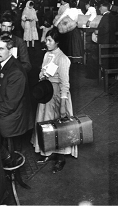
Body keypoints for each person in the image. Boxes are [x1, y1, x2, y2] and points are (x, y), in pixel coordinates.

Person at [31, 28, 78, 173]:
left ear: (57, 42)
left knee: (60, 125)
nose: (47, 42)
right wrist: (42, 74)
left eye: (50, 40)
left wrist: (63, 105)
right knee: (47, 123)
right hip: (47, 93)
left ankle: (60, 157)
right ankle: (49, 152)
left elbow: (65, 84)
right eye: (47, 39)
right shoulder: (47, 54)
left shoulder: (63, 59)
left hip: (58, 96)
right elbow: (41, 72)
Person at [0, 35, 33, 155]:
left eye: (1, 49)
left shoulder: (15, 72)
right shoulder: (5, 64)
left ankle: (8, 165)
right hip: (8, 111)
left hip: (12, 118)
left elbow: (10, 105)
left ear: (10, 50)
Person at [0, 12, 32, 78]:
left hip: (14, 78)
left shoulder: (19, 42)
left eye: (9, 27)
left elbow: (27, 65)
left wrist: (10, 70)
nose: (6, 30)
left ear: (12, 28)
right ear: (0, 26)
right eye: (4, 26)